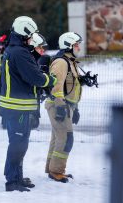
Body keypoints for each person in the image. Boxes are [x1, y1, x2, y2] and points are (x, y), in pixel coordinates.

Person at [0, 16, 57, 192]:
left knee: (20, 144)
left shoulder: (14, 50)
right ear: (24, 32)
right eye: (31, 35)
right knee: (18, 144)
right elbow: (35, 78)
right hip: (18, 108)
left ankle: (17, 177)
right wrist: (50, 80)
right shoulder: (20, 52)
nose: (32, 39)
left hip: (16, 107)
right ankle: (12, 181)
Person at [45, 32, 83, 183]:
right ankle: (57, 171)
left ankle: (51, 168)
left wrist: (76, 108)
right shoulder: (61, 62)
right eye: (76, 44)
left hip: (67, 105)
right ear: (68, 46)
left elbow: (72, 87)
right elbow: (56, 85)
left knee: (57, 138)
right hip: (58, 105)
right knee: (66, 138)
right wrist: (60, 106)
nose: (79, 47)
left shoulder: (70, 61)